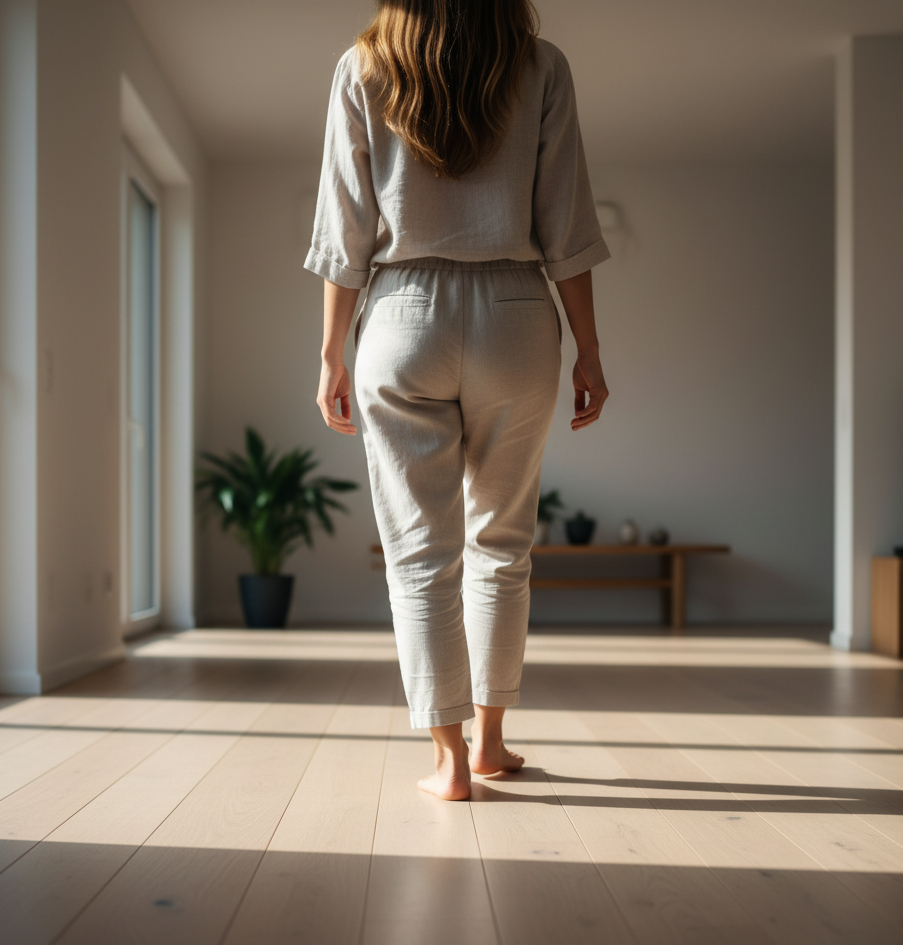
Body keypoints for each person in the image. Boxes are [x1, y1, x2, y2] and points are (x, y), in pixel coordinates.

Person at [306, 0, 610, 801]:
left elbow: (346, 232)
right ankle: (492, 742)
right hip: (516, 313)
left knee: (418, 550)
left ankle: (445, 760)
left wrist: (332, 351)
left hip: (400, 312)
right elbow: (566, 225)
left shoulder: (362, 66)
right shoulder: (541, 66)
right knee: (502, 543)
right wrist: (590, 347)